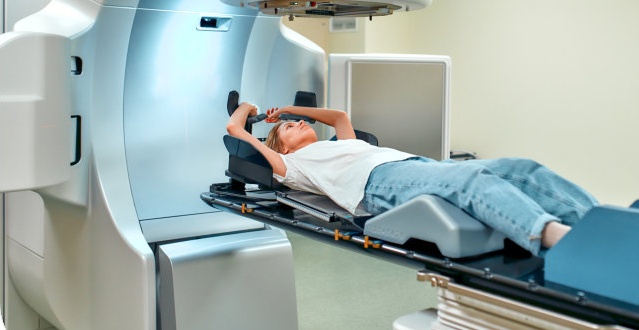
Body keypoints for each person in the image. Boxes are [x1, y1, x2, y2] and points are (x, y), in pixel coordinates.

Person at [226, 102, 599, 256]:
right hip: (378, 182)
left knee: (521, 169)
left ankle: (602, 224)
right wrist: (251, 110)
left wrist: (289, 109)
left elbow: (338, 116)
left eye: (298, 120)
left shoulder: (342, 143)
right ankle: (559, 242)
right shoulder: (296, 166)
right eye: (290, 127)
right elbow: (235, 128)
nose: (298, 123)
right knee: (470, 180)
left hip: (410, 164)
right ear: (283, 149)